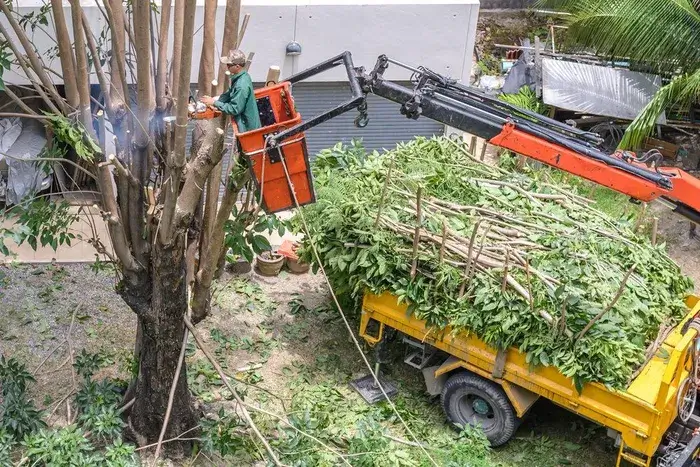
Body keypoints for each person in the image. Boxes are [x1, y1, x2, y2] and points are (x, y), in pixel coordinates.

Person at [201, 49, 261, 132]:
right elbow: (230, 93)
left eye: (229, 65)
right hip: (243, 123)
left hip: (246, 128)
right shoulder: (242, 76)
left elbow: (234, 109)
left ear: (237, 66)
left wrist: (214, 103)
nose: (227, 66)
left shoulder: (241, 85)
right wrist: (214, 100)